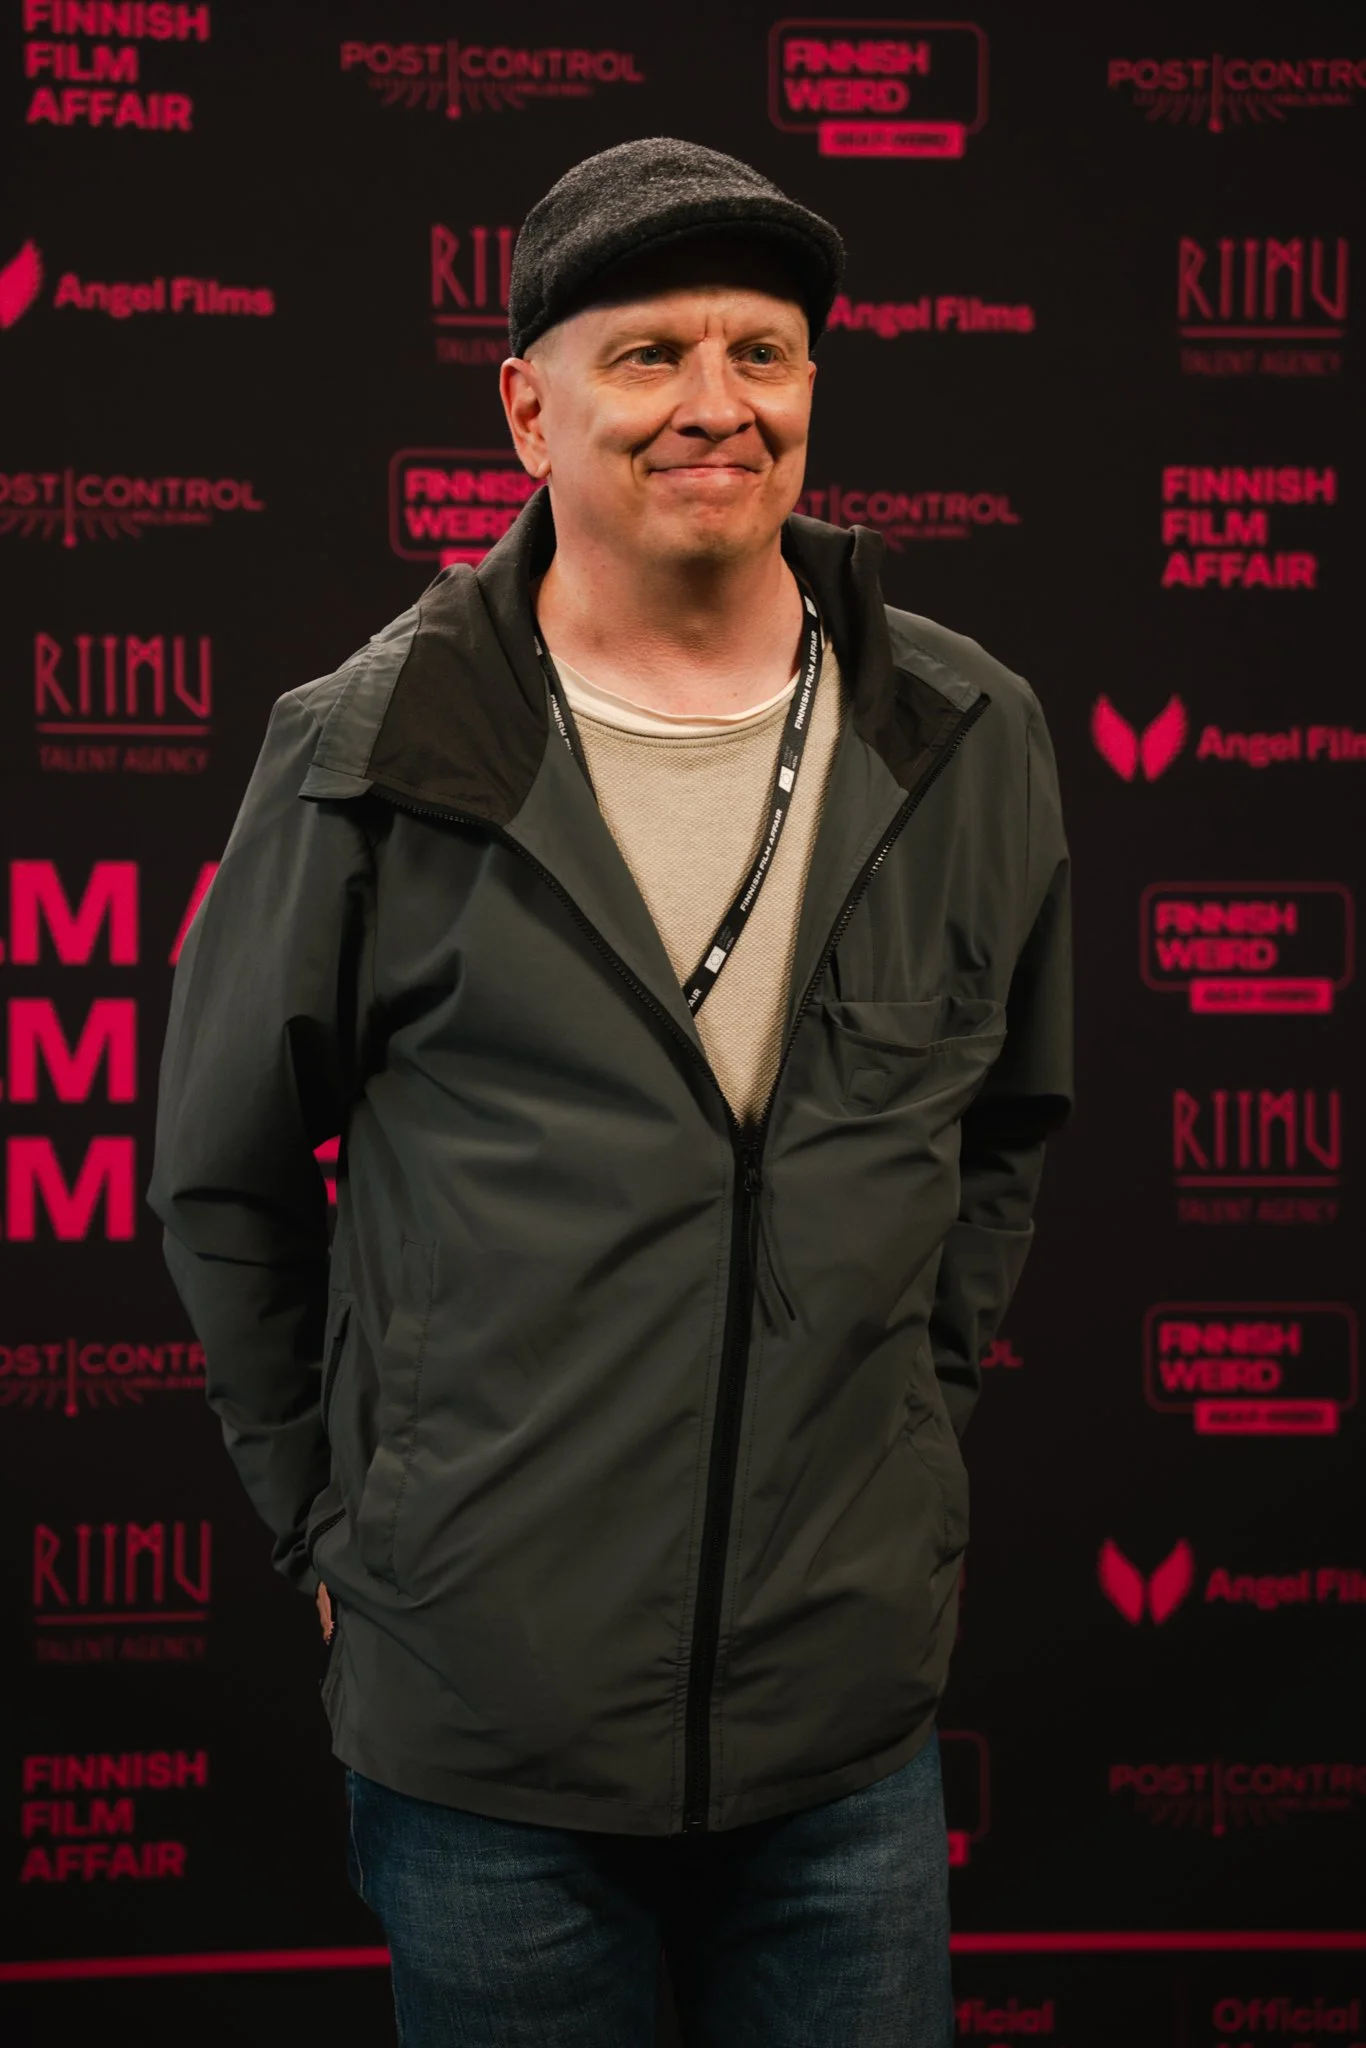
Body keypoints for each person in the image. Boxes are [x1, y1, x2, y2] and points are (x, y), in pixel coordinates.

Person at [149, 138, 1072, 2047]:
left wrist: (905, 1443)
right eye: (648, 354)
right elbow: (222, 1180)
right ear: (526, 410)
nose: (715, 403)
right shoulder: (368, 754)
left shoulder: (966, 736)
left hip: (843, 1740)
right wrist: (337, 1534)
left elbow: (998, 1134)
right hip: (483, 1744)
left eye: (762, 352)